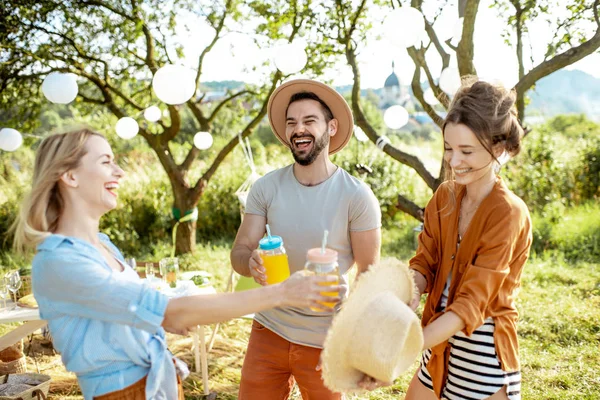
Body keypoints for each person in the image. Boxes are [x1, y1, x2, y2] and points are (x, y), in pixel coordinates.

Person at [11, 129, 340, 400]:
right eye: (106, 161)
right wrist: (281, 293)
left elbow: (136, 313)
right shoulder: (60, 260)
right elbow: (169, 311)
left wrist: (162, 319)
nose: (120, 172)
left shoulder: (103, 244)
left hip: (156, 382)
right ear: (69, 175)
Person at [230, 79, 382, 399]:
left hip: (325, 339)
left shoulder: (356, 196)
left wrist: (355, 338)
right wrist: (251, 263)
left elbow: (370, 275)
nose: (299, 129)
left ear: (331, 126)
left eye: (309, 120)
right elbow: (240, 251)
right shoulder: (266, 188)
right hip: (268, 329)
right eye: (292, 123)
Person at [405, 78, 532, 400]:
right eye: (448, 148)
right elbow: (425, 261)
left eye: (466, 151)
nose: (453, 161)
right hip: (438, 342)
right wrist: (411, 290)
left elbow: (472, 303)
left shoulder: (508, 212)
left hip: (482, 354)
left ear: (499, 148)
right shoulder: (445, 196)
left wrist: (402, 348)